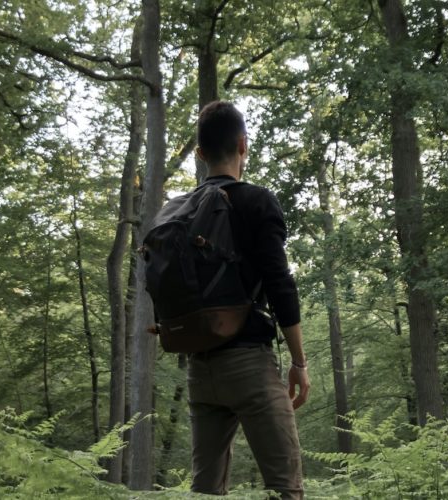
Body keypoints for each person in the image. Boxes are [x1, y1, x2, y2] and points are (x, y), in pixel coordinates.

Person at [186, 100, 310, 499]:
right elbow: (279, 283)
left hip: (198, 370)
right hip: (248, 366)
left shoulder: (180, 211)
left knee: (206, 490)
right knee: (284, 487)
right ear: (244, 144)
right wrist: (299, 362)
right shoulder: (257, 201)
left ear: (200, 153)